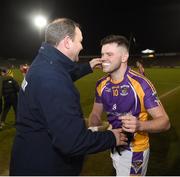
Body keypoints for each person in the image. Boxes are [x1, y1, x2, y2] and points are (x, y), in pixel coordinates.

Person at [9, 18, 128, 176]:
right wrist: (111, 137)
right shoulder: (52, 79)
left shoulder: (43, 63)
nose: (82, 46)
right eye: (79, 41)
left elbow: (61, 75)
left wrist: (87, 67)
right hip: (44, 167)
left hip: (29, 156)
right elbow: (73, 142)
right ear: (67, 42)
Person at [88, 35, 170, 176]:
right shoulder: (101, 84)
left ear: (124, 57)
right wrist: (93, 129)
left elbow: (165, 122)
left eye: (109, 54)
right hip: (113, 145)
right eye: (102, 54)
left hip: (134, 151)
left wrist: (140, 125)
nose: (103, 58)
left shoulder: (141, 84)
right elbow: (95, 114)